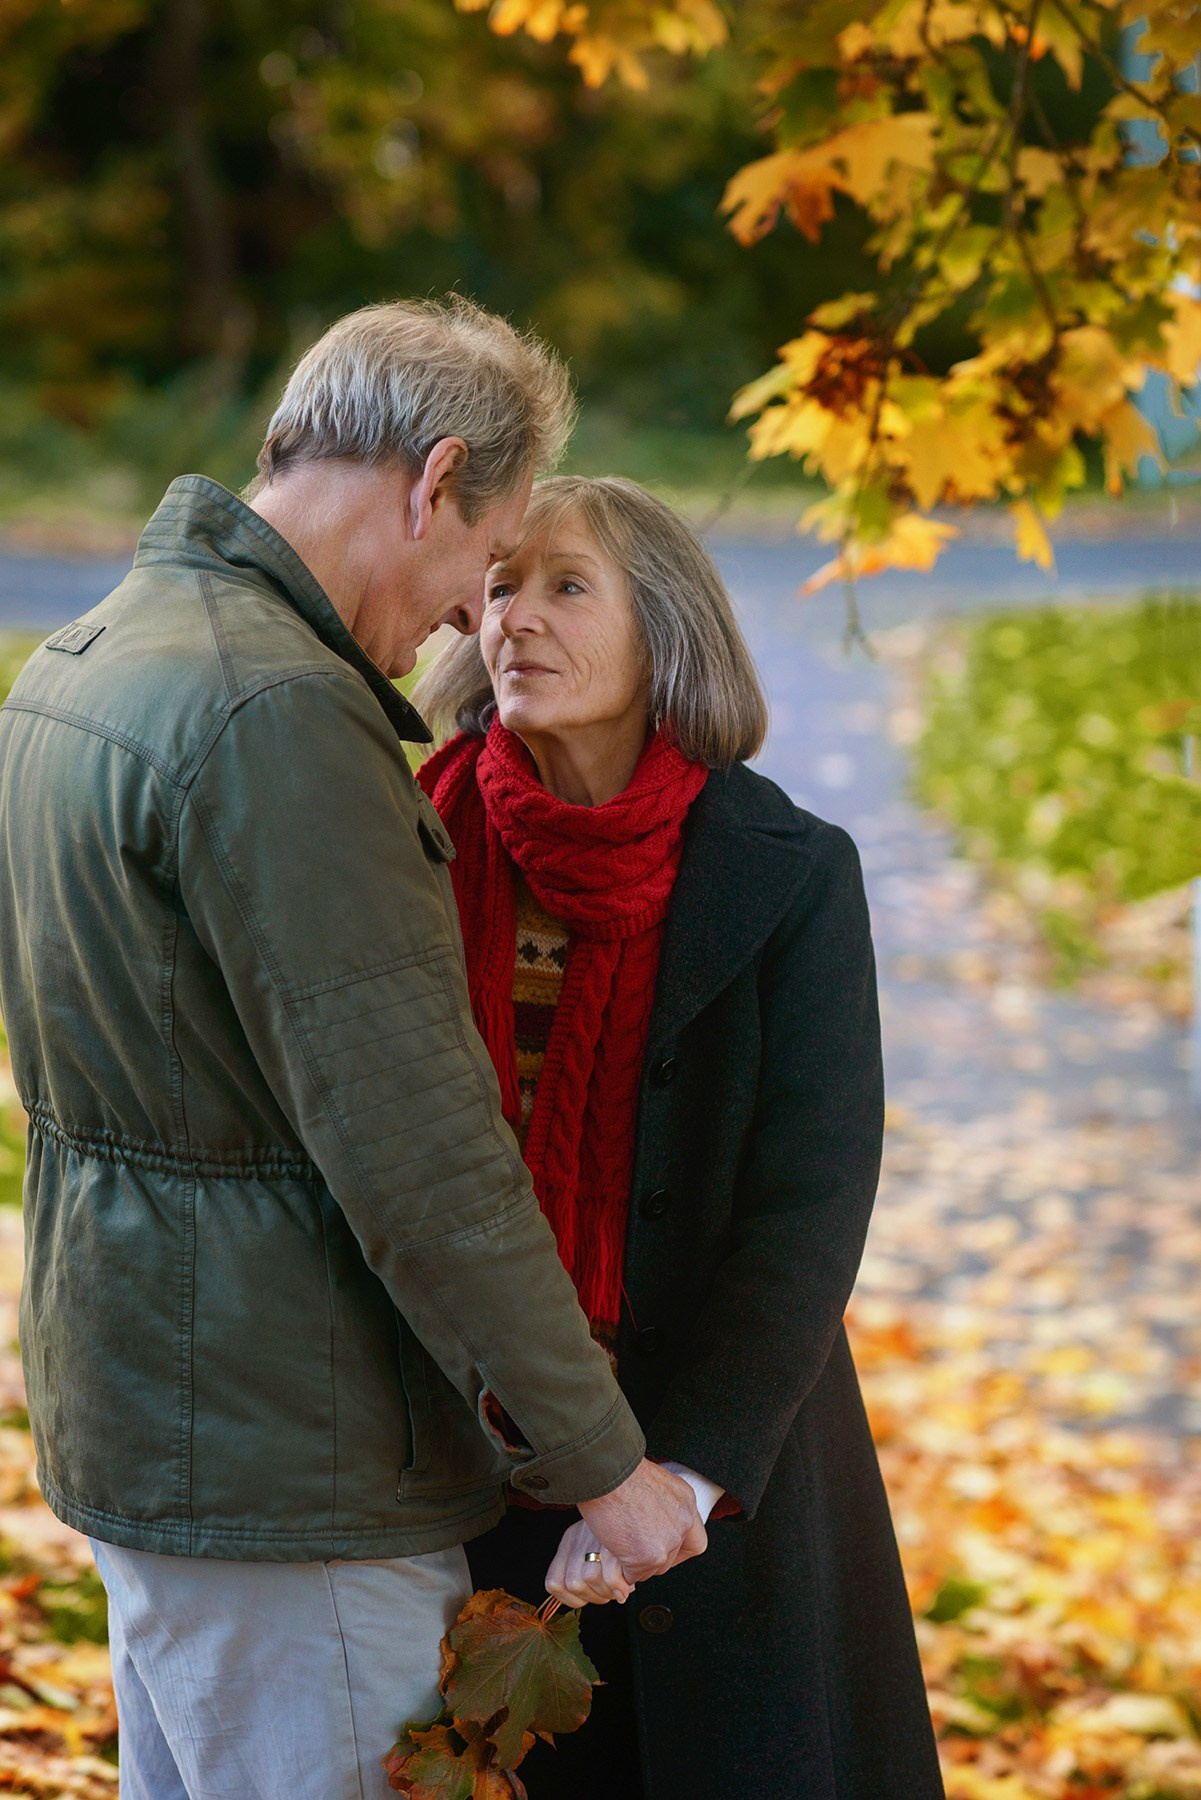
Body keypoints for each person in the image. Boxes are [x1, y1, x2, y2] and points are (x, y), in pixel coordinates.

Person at [0, 305, 705, 1800]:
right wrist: (602, 1463)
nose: (471, 614)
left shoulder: (89, 658)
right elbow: (421, 1150)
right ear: (431, 478)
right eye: (486, 552)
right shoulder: (278, 716)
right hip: (296, 1468)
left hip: (161, 1431)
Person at [415, 475, 946, 1800]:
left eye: (564, 586)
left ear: (666, 631)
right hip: (461, 1473)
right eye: (496, 588)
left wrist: (683, 1475)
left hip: (720, 1476)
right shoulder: (410, 845)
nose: (512, 618)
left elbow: (809, 1209)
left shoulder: (788, 870)